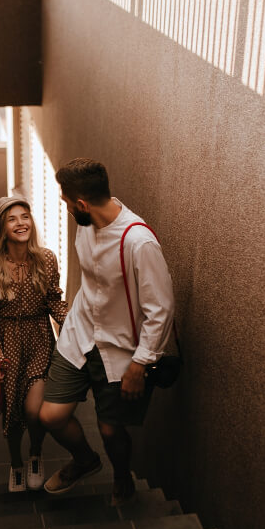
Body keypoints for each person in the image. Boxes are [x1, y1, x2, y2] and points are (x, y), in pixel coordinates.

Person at [39, 158, 175, 505]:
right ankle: (85, 461)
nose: (65, 205)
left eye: (67, 201)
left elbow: (160, 310)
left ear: (81, 204)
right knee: (52, 415)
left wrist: (141, 363)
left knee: (111, 429)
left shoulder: (138, 242)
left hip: (119, 351)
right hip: (79, 335)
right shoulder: (86, 225)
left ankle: (121, 476)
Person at [0, 195, 69, 492]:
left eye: (24, 216)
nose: (20, 223)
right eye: (12, 219)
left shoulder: (46, 258)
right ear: (2, 227)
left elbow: (55, 302)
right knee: (12, 416)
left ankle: (35, 454)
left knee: (33, 410)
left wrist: (77, 326)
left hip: (40, 339)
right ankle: (16, 463)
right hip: (6, 344)